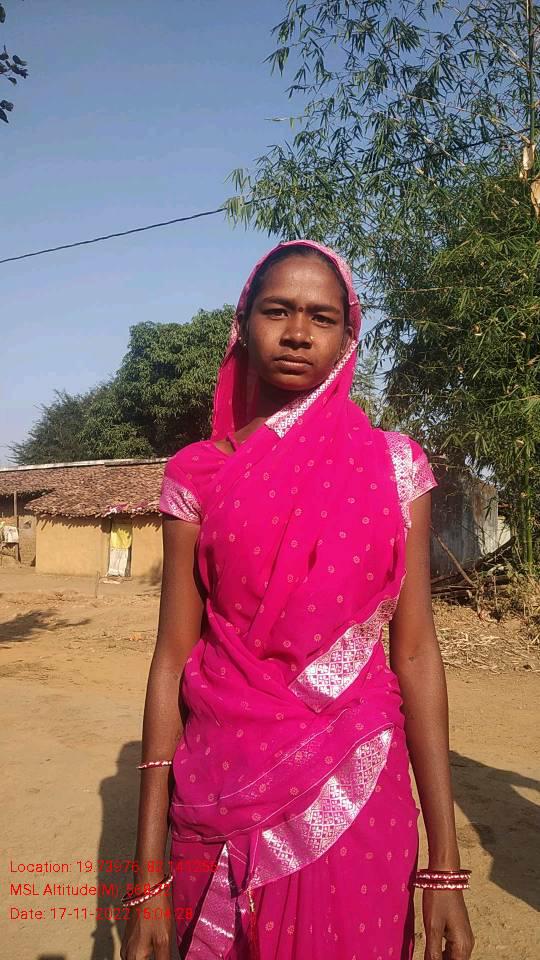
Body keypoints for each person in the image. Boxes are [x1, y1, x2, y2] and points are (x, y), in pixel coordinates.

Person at [120, 240, 475, 960]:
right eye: (277, 311)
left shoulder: (393, 466)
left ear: (348, 336)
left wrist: (444, 863)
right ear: (243, 324)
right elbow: (172, 659)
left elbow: (414, 652)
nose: (297, 332)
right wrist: (147, 869)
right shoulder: (197, 474)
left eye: (322, 316)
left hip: (356, 793)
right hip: (218, 785)